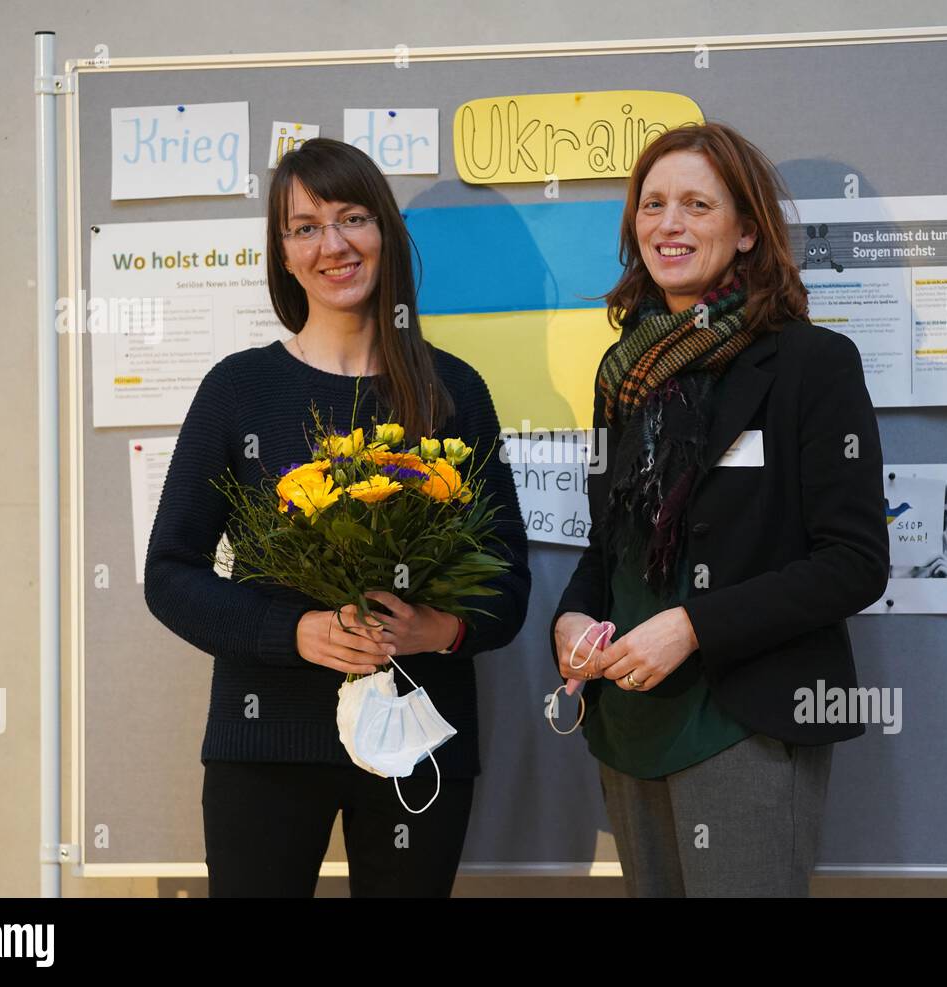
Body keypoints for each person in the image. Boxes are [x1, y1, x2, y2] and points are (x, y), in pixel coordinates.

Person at [144, 138, 530, 897]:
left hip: (418, 743)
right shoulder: (238, 389)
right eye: (306, 226)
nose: (334, 244)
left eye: (352, 217)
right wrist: (293, 633)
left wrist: (440, 630)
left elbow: (509, 582)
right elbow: (169, 573)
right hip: (266, 742)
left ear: (384, 231)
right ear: (283, 254)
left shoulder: (454, 391)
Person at [550, 122, 888, 897]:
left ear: (744, 232)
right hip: (629, 722)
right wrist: (569, 622)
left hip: (747, 719)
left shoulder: (811, 363)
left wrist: (693, 625)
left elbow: (854, 563)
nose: (669, 224)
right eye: (653, 205)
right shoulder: (623, 373)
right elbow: (608, 545)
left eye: (697, 205)